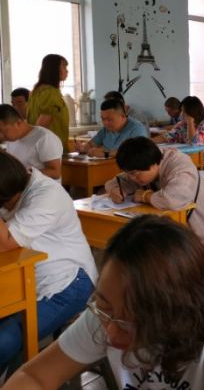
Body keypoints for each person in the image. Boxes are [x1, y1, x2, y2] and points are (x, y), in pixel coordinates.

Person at [4, 215, 204, 390]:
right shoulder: (112, 309)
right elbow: (35, 377)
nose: (110, 333)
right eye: (103, 306)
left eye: (129, 322)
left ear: (177, 311)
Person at [0, 153, 97, 377]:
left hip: (68, 284)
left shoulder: (46, 196)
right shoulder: (12, 187)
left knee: (5, 341)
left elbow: (6, 243)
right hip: (23, 280)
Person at [105, 137, 204, 248]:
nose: (132, 178)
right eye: (129, 173)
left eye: (134, 174)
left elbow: (173, 199)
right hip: (165, 229)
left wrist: (145, 196)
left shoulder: (180, 166)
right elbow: (115, 182)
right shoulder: (143, 163)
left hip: (196, 232)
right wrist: (115, 190)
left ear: (154, 164)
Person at [156, 96, 204, 169]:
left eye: (184, 111)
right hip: (190, 161)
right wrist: (149, 142)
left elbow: (194, 144)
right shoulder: (183, 123)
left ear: (191, 112)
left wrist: (190, 122)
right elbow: (168, 136)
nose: (181, 114)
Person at [0, 104, 63, 181]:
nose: (0, 136)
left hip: (42, 187)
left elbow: (55, 172)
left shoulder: (45, 138)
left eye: (1, 130)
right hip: (20, 186)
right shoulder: (11, 140)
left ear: (18, 123)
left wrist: (23, 175)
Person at [26, 54, 70, 152]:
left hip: (44, 147)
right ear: (54, 69)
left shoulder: (37, 91)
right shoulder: (50, 92)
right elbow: (41, 125)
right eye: (64, 67)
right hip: (50, 149)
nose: (67, 71)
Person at [79, 99, 148, 158]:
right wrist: (84, 148)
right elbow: (91, 144)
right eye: (103, 119)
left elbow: (138, 153)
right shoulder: (106, 129)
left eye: (109, 119)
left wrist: (106, 154)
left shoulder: (137, 129)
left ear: (123, 116)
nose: (105, 123)